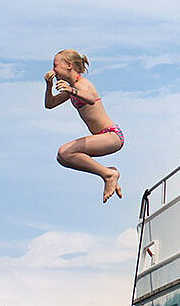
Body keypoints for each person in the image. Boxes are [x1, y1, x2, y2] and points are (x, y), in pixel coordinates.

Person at [44, 49, 124, 202]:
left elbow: (91, 99)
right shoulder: (72, 88)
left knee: (65, 152)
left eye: (55, 65)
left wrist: (72, 90)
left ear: (68, 65)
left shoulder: (83, 84)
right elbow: (50, 104)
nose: (53, 70)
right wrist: (49, 86)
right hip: (102, 137)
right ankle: (109, 173)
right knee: (63, 157)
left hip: (111, 135)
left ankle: (108, 174)